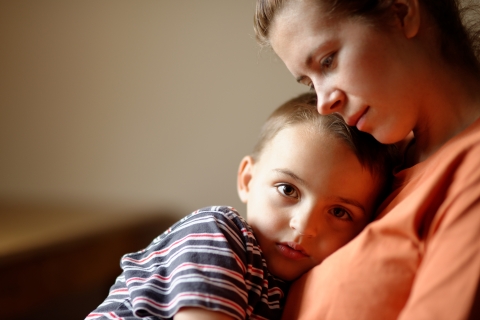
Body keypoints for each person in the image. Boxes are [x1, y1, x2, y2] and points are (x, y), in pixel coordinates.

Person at [253, 0, 480, 319]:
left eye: (327, 61)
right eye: (309, 83)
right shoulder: (373, 169)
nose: (323, 104)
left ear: (401, 12)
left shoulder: (470, 171)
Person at [86, 92, 397, 320]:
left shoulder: (289, 286)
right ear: (248, 180)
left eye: (339, 212)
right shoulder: (216, 233)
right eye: (288, 189)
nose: (304, 226)